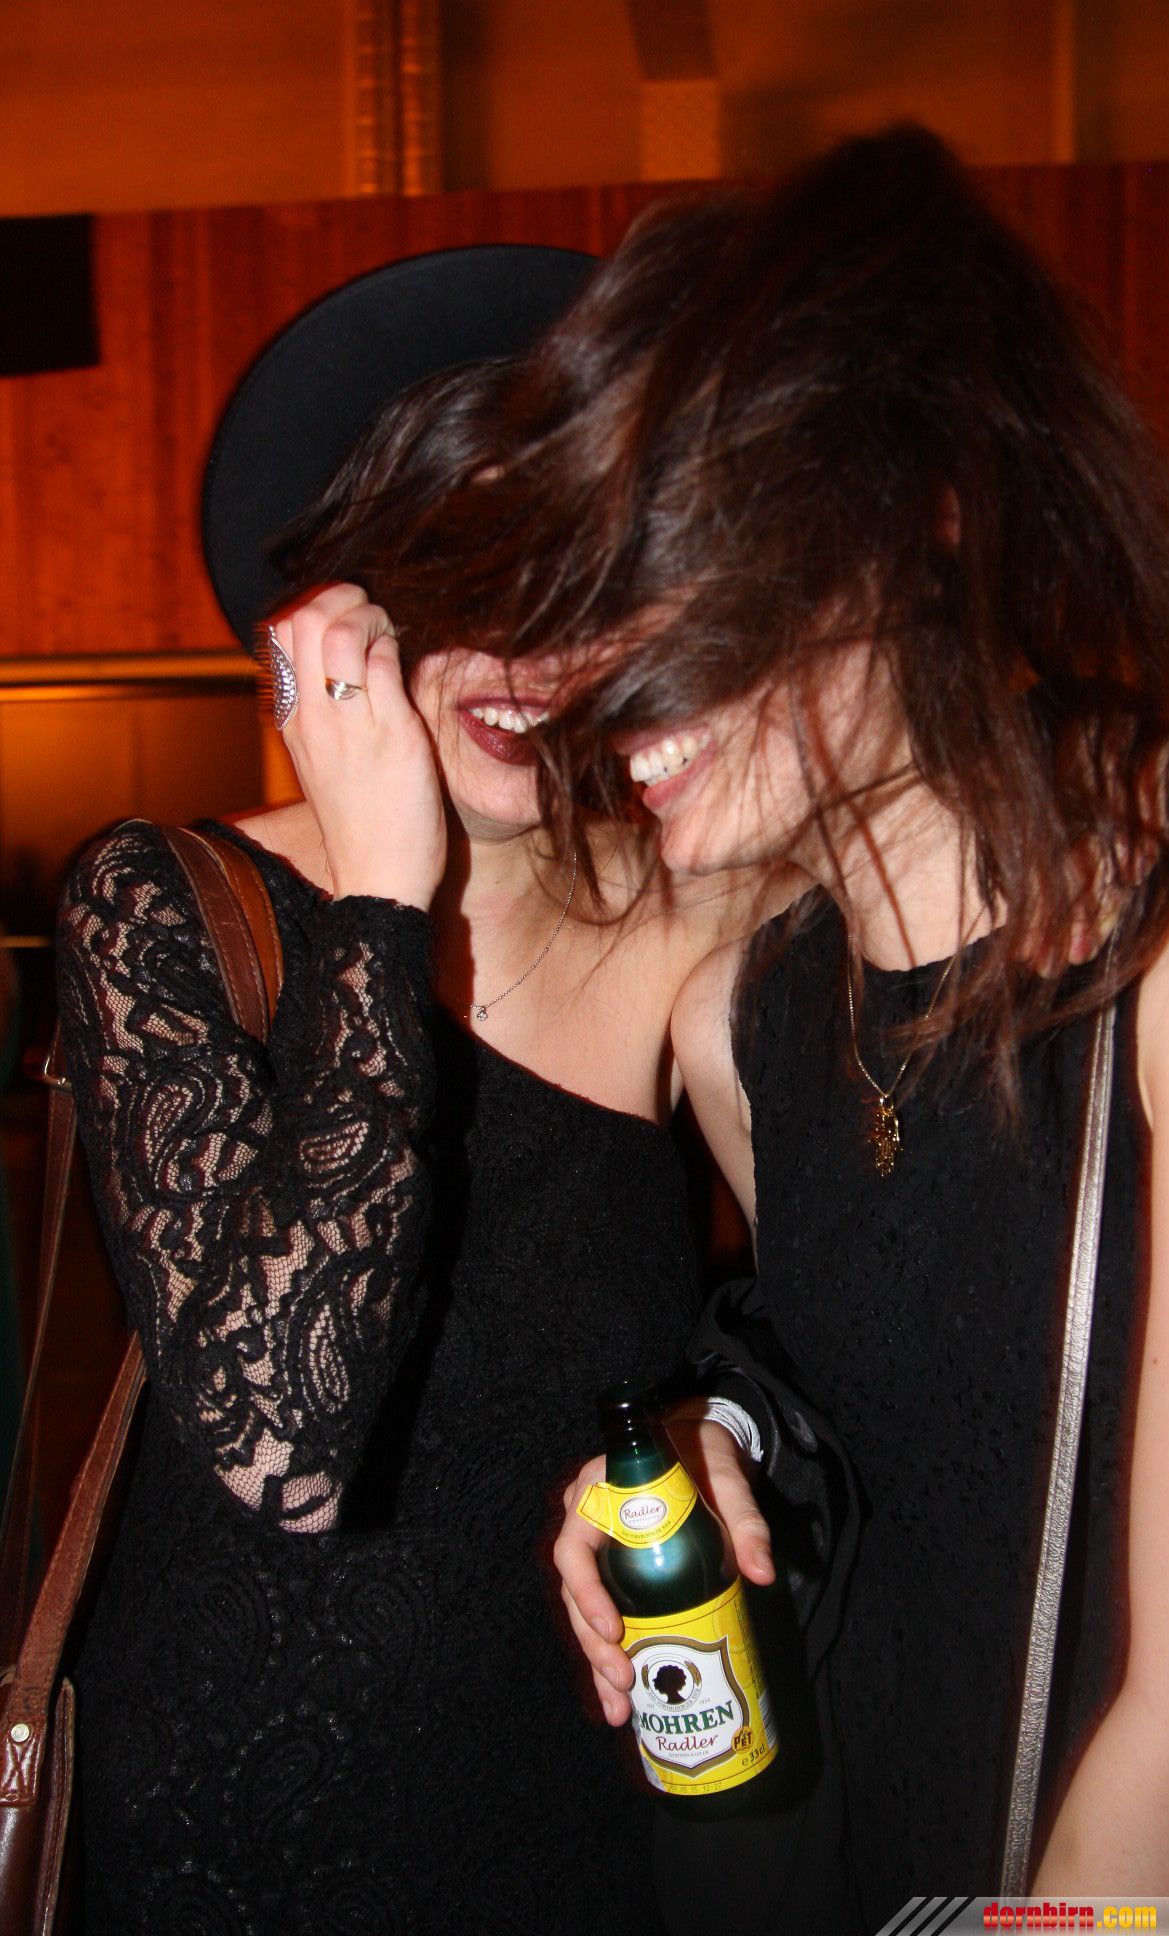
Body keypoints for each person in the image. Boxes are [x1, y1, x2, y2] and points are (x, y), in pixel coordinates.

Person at [400, 132, 1169, 1915]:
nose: (596, 671)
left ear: (917, 516)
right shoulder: (747, 1024)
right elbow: (869, 1419)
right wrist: (714, 1448)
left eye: (674, 567)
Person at [53, 244, 769, 1935]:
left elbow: (816, 1319)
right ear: (345, 614)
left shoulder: (699, 922)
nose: (534, 642)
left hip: (569, 1826)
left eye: (584, 571)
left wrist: (708, 1423)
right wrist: (384, 901)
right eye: (467, 569)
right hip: (220, 1845)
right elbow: (283, 1447)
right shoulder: (165, 900)